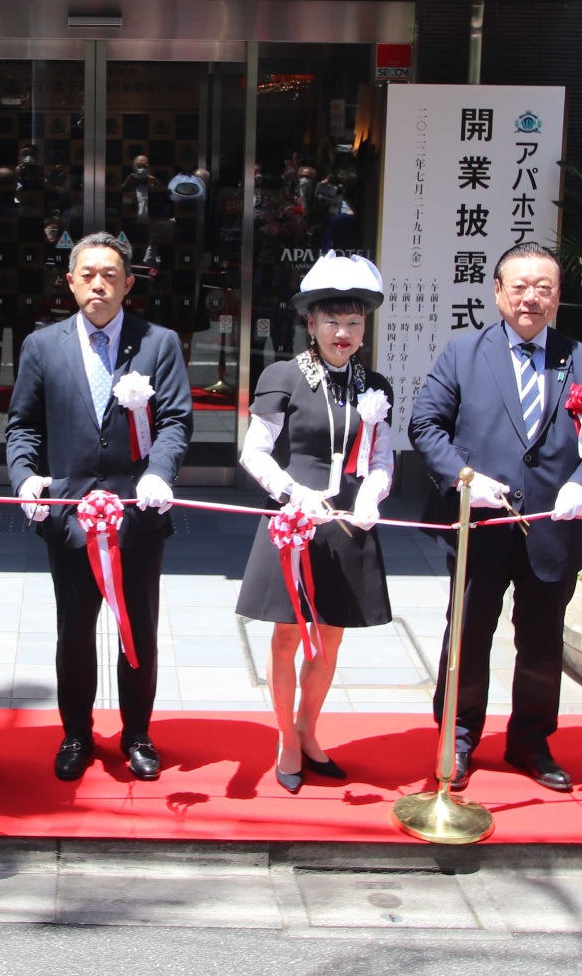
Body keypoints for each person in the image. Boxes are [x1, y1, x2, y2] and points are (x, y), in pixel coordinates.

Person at [408, 242, 582, 793]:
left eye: (544, 288)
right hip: (482, 524)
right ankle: (457, 736)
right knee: (468, 633)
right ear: (499, 292)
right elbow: (425, 424)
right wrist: (464, 479)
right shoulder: (464, 354)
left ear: (557, 297)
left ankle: (531, 739)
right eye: (520, 287)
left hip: (554, 525)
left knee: (542, 640)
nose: (531, 298)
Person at [6, 232, 193, 782]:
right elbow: (22, 427)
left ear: (129, 283)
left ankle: (137, 733)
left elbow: (177, 421)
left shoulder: (158, 343)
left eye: (111, 275)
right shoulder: (42, 346)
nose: (99, 284)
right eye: (87, 274)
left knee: (138, 628)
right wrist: (24, 480)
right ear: (69, 281)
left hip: (138, 516)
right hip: (69, 519)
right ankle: (76, 733)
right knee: (75, 631)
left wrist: (159, 474)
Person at [234, 253, 395, 793]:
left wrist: (374, 491)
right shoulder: (282, 376)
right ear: (310, 323)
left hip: (347, 523)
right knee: (286, 637)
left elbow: (381, 458)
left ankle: (309, 729)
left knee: (329, 640)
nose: (343, 332)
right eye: (332, 321)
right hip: (293, 524)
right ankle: (284, 735)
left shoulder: (374, 385)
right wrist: (292, 494)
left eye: (353, 322)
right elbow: (254, 453)